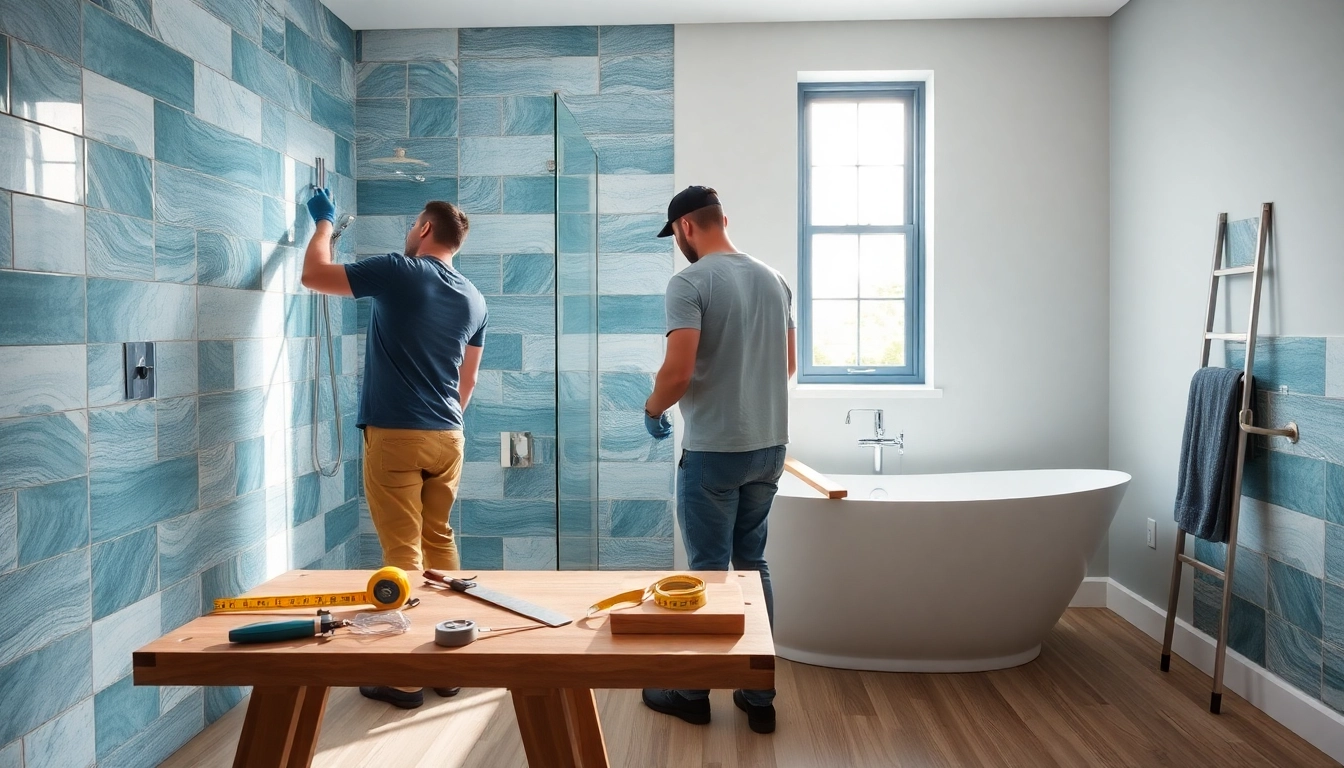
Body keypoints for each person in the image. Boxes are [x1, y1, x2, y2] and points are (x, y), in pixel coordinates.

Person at [302, 189, 487, 710]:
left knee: (402, 553)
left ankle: (405, 679)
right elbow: (467, 379)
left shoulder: (401, 270)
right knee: (441, 543)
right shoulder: (475, 297)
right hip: (449, 434)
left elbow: (314, 275)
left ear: (425, 229)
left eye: (413, 226)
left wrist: (323, 225)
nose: (409, 233)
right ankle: (448, 667)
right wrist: (440, 422)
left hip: (396, 433)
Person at [640, 186, 796, 735]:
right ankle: (759, 697)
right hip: (770, 447)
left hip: (714, 452)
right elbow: (789, 365)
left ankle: (691, 692)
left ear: (685, 227)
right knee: (754, 567)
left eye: (675, 235)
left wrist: (653, 408)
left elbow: (677, 373)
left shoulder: (689, 282)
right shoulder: (776, 280)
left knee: (706, 571)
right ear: (722, 219)